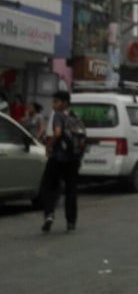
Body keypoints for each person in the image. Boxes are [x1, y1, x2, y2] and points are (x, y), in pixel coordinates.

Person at [39, 90, 81, 232]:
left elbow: (57, 133)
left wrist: (49, 146)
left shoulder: (58, 115)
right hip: (73, 159)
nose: (53, 105)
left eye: (56, 102)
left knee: (47, 186)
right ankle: (71, 222)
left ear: (64, 103)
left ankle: (49, 214)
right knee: (70, 191)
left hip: (58, 158)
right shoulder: (74, 116)